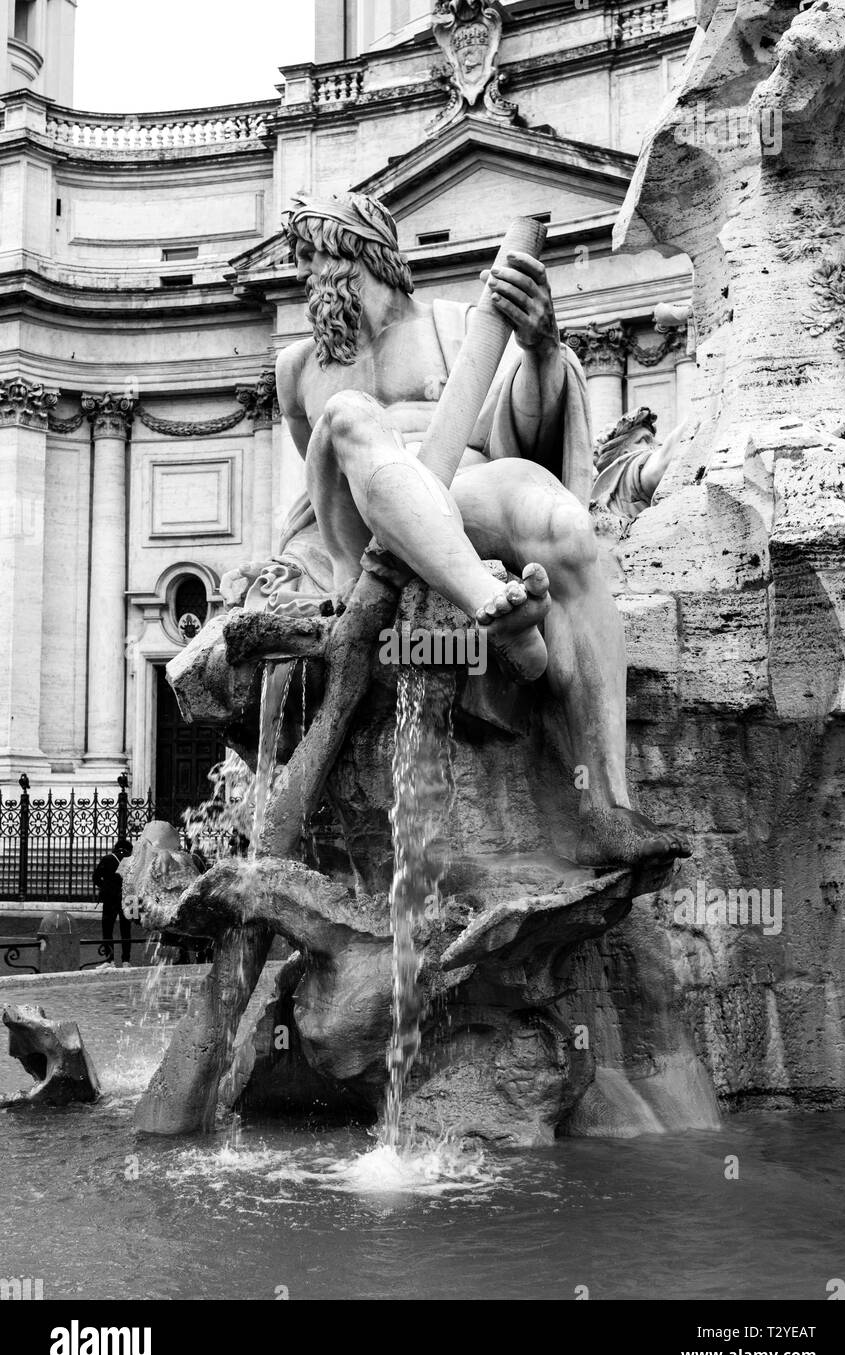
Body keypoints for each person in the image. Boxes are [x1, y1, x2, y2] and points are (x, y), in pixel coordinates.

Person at [233, 191, 689, 868]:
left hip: (459, 494)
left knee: (561, 522)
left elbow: (524, 432)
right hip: (367, 527)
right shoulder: (299, 368)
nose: (304, 275)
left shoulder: (456, 326)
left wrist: (539, 348)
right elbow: (316, 488)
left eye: (314, 256)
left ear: (363, 253)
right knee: (352, 417)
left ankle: (606, 806)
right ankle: (491, 605)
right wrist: (299, 572)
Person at [591, 406, 690, 518]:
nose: (658, 443)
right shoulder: (631, 468)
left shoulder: (606, 497)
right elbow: (666, 460)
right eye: (645, 440)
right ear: (624, 454)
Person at [93, 839, 133, 969]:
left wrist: (105, 887)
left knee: (107, 929)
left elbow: (95, 877)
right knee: (126, 930)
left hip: (110, 898)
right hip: (129, 897)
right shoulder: (134, 860)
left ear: (116, 848)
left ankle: (110, 961)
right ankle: (126, 961)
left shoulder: (108, 858)